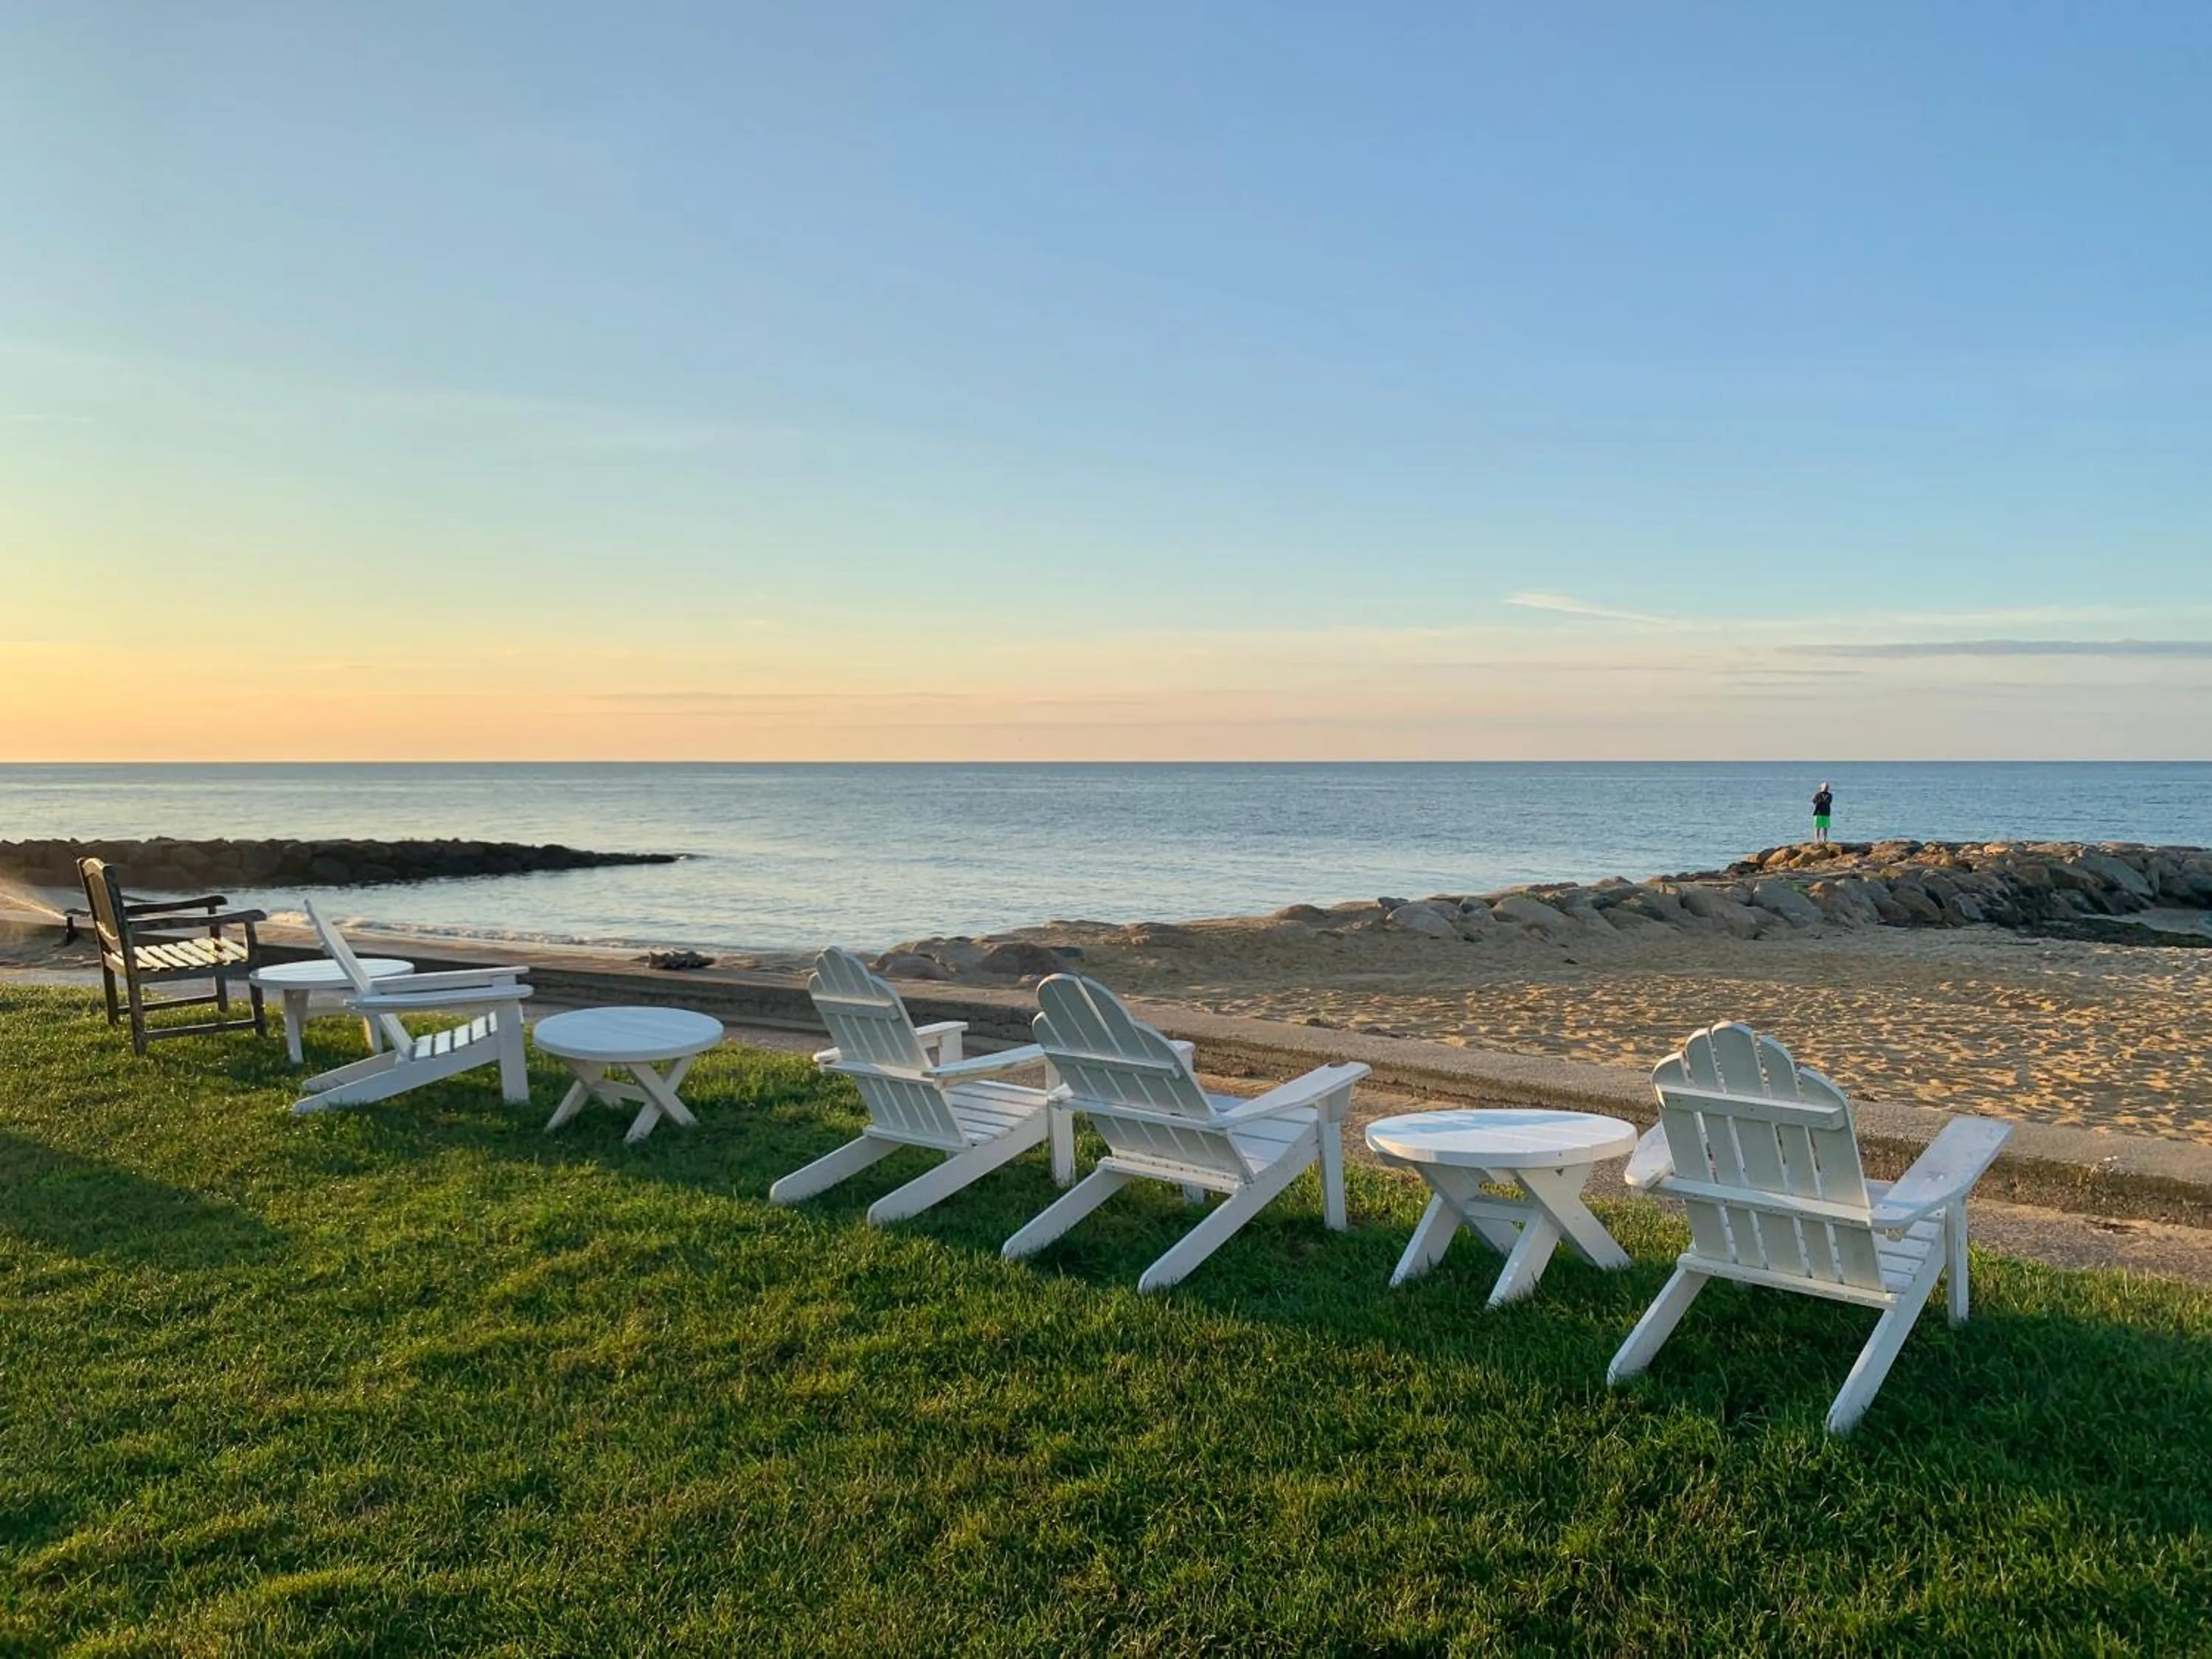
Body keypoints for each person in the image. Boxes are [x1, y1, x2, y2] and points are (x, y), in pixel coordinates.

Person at [1811, 781, 1834, 846]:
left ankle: (1824, 839)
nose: (1826, 788)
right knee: (1817, 826)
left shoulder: (1829, 795)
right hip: (1818, 812)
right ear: (1821, 787)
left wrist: (1822, 801)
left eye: (1827, 787)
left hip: (1826, 812)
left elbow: (1829, 801)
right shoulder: (1818, 795)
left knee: (1825, 826)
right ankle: (1817, 839)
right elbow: (1814, 801)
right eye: (1824, 786)